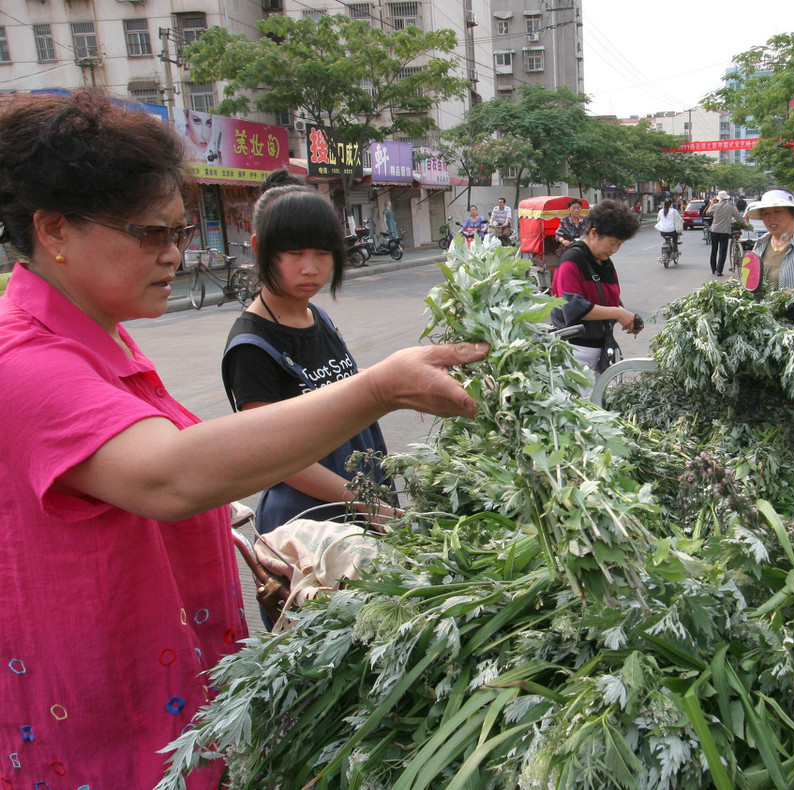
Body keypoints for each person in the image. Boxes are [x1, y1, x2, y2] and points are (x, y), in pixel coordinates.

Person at [0, 92, 485, 787]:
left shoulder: (102, 338)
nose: (175, 254)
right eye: (149, 234)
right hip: (99, 727)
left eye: (179, 231)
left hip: (164, 683)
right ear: (54, 230)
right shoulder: (23, 362)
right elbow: (167, 476)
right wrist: (377, 390)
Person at [222, 185, 395, 543]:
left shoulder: (317, 317)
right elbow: (276, 457)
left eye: (323, 253)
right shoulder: (251, 346)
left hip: (362, 507)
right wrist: (364, 501)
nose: (311, 268)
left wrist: (396, 384)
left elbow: (339, 386)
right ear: (260, 250)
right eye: (294, 253)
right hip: (310, 527)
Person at [550, 199, 642, 371]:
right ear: (593, 234)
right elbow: (573, 307)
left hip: (599, 350)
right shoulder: (571, 261)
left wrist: (628, 318)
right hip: (574, 353)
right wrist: (617, 312)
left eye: (619, 245)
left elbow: (611, 300)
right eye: (613, 243)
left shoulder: (605, 262)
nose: (615, 249)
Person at [708, 190, 740, 276]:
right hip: (724, 231)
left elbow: (708, 212)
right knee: (722, 251)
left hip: (714, 230)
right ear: (726, 199)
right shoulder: (730, 207)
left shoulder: (715, 206)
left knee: (714, 250)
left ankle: (713, 269)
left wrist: (712, 203)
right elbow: (738, 217)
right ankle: (719, 270)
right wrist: (745, 223)